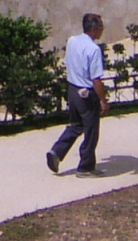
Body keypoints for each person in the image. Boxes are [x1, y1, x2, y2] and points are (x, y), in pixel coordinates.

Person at [46, 12, 108, 176]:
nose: (102, 30)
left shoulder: (72, 41)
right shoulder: (94, 49)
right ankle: (86, 167)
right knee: (91, 131)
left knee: (76, 125)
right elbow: (96, 79)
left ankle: (57, 152)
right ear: (94, 29)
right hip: (87, 94)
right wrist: (103, 100)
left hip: (73, 90)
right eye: (101, 27)